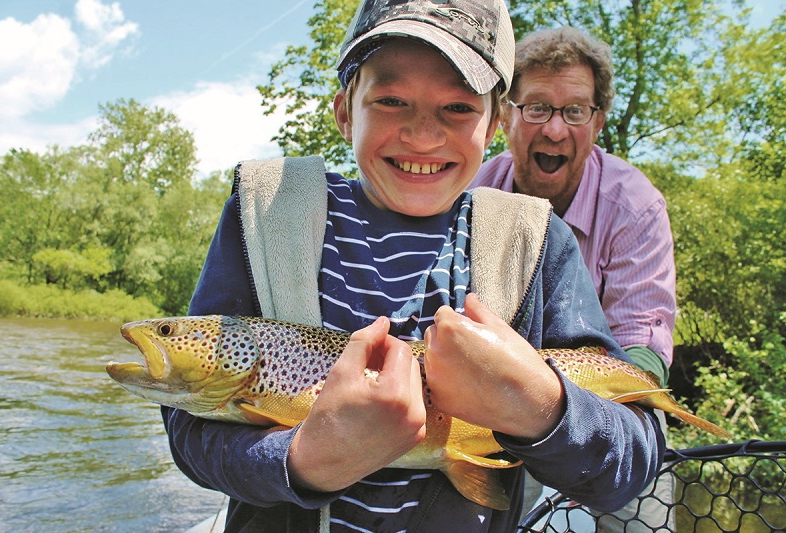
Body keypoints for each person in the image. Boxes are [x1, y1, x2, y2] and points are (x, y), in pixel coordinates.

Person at [162, 2, 665, 532]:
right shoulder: (266, 212)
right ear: (343, 110)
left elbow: (628, 466)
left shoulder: (538, 243)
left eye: (458, 108)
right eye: (391, 100)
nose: (423, 135)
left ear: (495, 123)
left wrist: (541, 409)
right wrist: (303, 460)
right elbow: (190, 429)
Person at [470, 27, 677, 531]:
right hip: (494, 412)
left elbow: (643, 344)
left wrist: (573, 410)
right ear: (505, 116)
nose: (555, 130)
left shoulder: (635, 205)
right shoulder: (472, 193)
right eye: (536, 107)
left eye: (575, 111)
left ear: (598, 122)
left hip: (615, 405)